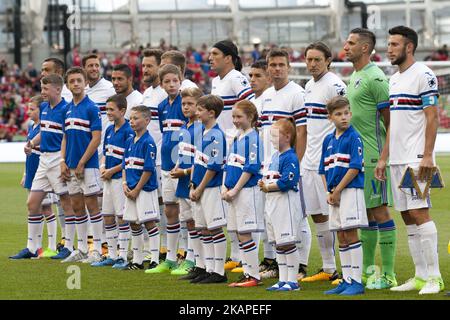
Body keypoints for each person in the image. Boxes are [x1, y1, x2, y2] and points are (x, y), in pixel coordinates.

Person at [384, 26, 444, 295]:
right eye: (389, 44)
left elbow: (432, 117)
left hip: (417, 158)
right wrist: (384, 158)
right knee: (407, 216)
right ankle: (420, 276)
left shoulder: (424, 75)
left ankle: (435, 277)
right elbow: (393, 123)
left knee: (420, 213)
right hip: (397, 159)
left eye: (395, 44)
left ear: (409, 47)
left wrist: (428, 155)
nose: (389, 49)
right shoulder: (393, 79)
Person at [344, 28, 397, 288]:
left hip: (373, 157)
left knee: (379, 210)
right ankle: (367, 271)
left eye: (351, 43)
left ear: (365, 48)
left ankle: (388, 274)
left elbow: (391, 122)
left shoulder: (376, 79)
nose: (346, 46)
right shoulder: (355, 75)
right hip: (357, 157)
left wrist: (383, 159)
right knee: (365, 213)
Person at [10, 74, 75, 260]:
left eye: (46, 89)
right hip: (43, 160)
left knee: (66, 202)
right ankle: (32, 248)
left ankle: (68, 246)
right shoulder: (45, 108)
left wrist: (64, 160)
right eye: (42, 88)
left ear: (57, 89)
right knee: (32, 203)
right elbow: (45, 132)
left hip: (57, 159)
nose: (43, 92)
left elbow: (66, 137)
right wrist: (31, 142)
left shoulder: (66, 109)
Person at [259, 48, 309, 280]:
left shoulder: (297, 94)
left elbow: (302, 131)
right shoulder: (267, 96)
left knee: (297, 216)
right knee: (274, 217)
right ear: (268, 68)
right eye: (273, 65)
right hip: (270, 166)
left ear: (289, 67)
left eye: (281, 64)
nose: (277, 68)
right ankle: (281, 266)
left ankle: (300, 265)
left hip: (289, 165)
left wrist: (295, 165)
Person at [300, 42, 346, 283]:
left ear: (328, 60)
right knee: (318, 215)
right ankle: (328, 268)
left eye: (317, 59)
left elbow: (346, 120)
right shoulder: (308, 86)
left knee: (335, 215)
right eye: (309, 59)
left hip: (328, 162)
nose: (312, 64)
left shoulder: (335, 85)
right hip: (309, 161)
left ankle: (345, 270)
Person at [209, 40, 254, 270]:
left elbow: (249, 107)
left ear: (229, 57)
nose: (210, 57)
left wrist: (241, 136)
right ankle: (236, 254)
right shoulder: (216, 81)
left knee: (241, 202)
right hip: (224, 149)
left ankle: (250, 258)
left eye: (215, 54)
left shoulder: (237, 78)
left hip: (238, 149)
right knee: (228, 203)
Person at [320, 96, 367, 296]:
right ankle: (346, 279)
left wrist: (338, 190)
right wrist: (329, 192)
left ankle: (356, 280)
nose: (344, 117)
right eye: (338, 114)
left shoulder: (354, 137)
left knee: (350, 233)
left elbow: (355, 168)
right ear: (330, 117)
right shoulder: (328, 140)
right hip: (334, 194)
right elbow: (322, 169)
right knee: (340, 235)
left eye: (346, 112)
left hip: (349, 191)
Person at [146, 64, 187, 274]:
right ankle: (170, 257)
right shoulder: (161, 106)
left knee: (186, 213)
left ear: (181, 81)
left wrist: (184, 163)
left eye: (175, 81)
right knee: (170, 210)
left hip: (183, 167)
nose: (171, 85)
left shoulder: (186, 103)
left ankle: (187, 256)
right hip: (166, 165)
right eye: (167, 82)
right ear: (161, 84)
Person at [59, 67, 103, 264]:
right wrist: (63, 161)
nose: (75, 84)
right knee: (77, 206)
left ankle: (97, 250)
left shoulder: (91, 107)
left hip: (88, 165)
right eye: (72, 81)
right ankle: (83, 248)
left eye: (79, 80)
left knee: (92, 205)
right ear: (68, 85)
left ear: (85, 83)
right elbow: (65, 137)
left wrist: (82, 162)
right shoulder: (67, 109)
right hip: (70, 166)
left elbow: (96, 138)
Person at [90, 94, 134, 268]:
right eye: (106, 109)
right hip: (107, 179)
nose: (107, 112)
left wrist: (111, 171)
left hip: (119, 179)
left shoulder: (129, 131)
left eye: (111, 109)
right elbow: (106, 154)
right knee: (107, 216)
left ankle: (123, 255)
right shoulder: (109, 129)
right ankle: (112, 254)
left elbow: (128, 159)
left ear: (122, 110)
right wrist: (102, 167)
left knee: (121, 217)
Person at [223, 100, 264, 287]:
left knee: (245, 233)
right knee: (240, 233)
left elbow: (251, 168)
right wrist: (225, 187)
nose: (235, 120)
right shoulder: (237, 137)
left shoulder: (254, 138)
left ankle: (253, 275)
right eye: (233, 116)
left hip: (247, 192)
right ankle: (248, 273)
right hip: (234, 192)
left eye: (239, 116)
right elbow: (230, 165)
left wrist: (235, 189)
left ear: (251, 117)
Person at [259, 119, 302, 292]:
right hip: (272, 204)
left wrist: (267, 187)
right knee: (279, 244)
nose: (271, 139)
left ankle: (293, 281)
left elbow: (288, 180)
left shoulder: (290, 156)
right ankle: (283, 279)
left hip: (285, 203)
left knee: (288, 243)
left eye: (275, 135)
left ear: (287, 136)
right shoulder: (275, 157)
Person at [189, 94, 228, 284]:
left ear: (211, 113)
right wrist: (192, 184)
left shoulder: (217, 135)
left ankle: (219, 271)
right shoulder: (203, 132)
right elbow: (197, 162)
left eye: (199, 109)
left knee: (214, 228)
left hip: (211, 188)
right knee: (203, 229)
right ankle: (208, 268)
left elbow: (213, 166)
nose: (196, 113)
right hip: (199, 187)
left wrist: (200, 188)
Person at [247, 59, 277, 277]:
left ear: (268, 77)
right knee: (264, 217)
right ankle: (268, 260)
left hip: (275, 164)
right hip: (259, 165)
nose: (253, 80)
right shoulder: (251, 101)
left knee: (287, 217)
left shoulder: (272, 98)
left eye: (258, 76)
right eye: (251, 75)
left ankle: (291, 264)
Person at [120, 105, 160, 270]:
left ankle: (155, 259)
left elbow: (149, 169)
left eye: (136, 118)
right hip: (130, 189)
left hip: (144, 190)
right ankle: (137, 260)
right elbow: (124, 165)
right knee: (133, 224)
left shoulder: (148, 143)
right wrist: (124, 184)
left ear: (147, 120)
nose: (132, 121)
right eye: (131, 118)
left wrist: (137, 189)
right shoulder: (130, 141)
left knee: (149, 223)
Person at [19, 96, 58, 258]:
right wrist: (25, 173)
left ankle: (52, 246)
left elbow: (47, 148)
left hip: (44, 172)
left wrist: (34, 147)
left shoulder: (45, 127)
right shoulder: (32, 126)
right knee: (34, 207)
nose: (29, 111)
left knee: (47, 208)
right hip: (32, 172)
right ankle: (35, 246)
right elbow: (29, 152)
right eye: (28, 108)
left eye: (32, 109)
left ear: (41, 111)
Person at [170, 87, 204, 276]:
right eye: (183, 104)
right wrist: (177, 166)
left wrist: (184, 171)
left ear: (199, 106)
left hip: (194, 181)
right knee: (189, 223)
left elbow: (202, 161)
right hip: (182, 181)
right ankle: (193, 260)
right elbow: (182, 154)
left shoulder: (201, 129)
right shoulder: (184, 127)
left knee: (199, 223)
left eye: (190, 104)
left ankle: (200, 262)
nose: (185, 107)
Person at [140, 48, 168, 263]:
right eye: (143, 66)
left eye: (149, 65)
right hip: (151, 159)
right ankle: (157, 249)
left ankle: (170, 248)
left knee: (168, 204)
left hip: (163, 160)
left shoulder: (166, 93)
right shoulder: (147, 94)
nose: (145, 69)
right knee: (156, 205)